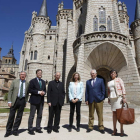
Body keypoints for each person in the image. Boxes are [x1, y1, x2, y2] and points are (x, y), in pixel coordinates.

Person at [4, 71, 29, 137]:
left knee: (19, 117)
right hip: (14, 100)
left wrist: (26, 101)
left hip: (22, 100)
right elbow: (10, 92)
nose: (22, 75)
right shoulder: (15, 82)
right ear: (20, 75)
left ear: (25, 76)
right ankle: (8, 131)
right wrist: (9, 101)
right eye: (21, 74)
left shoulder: (27, 83)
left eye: (24, 74)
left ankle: (15, 130)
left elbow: (27, 93)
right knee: (11, 116)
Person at [85, 69, 106, 134]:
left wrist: (102, 98)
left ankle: (101, 127)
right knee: (91, 114)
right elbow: (87, 92)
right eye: (91, 74)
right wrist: (86, 99)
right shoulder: (88, 82)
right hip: (91, 100)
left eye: (93, 73)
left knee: (100, 114)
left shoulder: (101, 80)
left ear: (96, 74)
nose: (92, 74)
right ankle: (90, 126)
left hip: (99, 100)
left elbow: (103, 90)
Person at [108, 69, 126, 137]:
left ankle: (121, 129)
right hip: (112, 99)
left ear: (116, 74)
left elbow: (123, 87)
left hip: (118, 98)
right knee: (114, 114)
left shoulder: (119, 79)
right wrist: (109, 98)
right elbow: (109, 91)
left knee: (120, 114)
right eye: (111, 73)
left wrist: (124, 97)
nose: (112, 74)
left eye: (114, 73)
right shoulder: (109, 82)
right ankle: (114, 129)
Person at [28, 69, 46, 135]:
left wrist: (43, 92)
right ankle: (30, 129)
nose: (40, 74)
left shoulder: (43, 82)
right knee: (32, 115)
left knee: (39, 115)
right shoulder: (32, 81)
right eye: (38, 73)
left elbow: (44, 90)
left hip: (41, 101)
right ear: (36, 74)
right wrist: (38, 92)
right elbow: (30, 90)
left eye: (41, 73)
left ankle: (38, 128)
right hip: (34, 100)